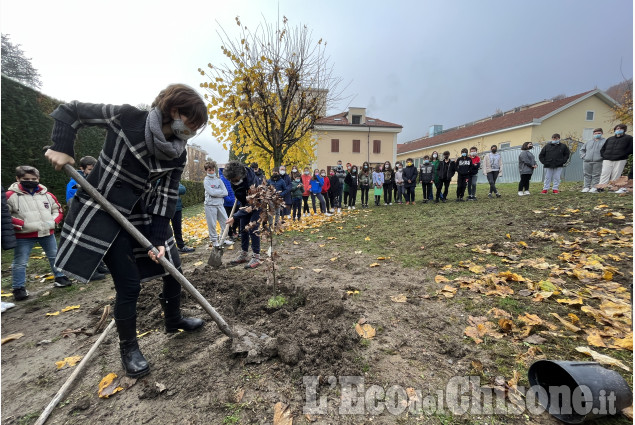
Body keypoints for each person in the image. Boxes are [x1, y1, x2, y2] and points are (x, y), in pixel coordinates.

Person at [44, 84, 206, 378]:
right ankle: (129, 348)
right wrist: (62, 147)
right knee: (129, 284)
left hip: (143, 214)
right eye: (191, 121)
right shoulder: (126, 118)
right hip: (105, 213)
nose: (192, 130)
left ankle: (174, 320)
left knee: (173, 269)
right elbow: (71, 110)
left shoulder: (177, 154)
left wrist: (157, 239)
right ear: (174, 111)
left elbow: (168, 195)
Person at [7, 166, 71, 302]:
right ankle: (18, 288)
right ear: (18, 179)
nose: (30, 181)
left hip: (46, 232)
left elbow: (57, 209)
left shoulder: (47, 195)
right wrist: (20, 224)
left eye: (33, 179)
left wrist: (53, 222)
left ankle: (60, 277)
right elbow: (4, 215)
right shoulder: (9, 196)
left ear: (38, 179)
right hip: (23, 235)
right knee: (20, 262)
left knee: (55, 255)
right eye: (26, 179)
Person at [65, 155, 110, 279]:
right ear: (82, 168)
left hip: (96, 216)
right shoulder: (74, 183)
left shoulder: (96, 179)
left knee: (97, 242)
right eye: (90, 169)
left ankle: (99, 266)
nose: (93, 172)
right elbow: (72, 201)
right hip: (83, 216)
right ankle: (90, 271)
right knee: (86, 244)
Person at [224, 160, 263, 269]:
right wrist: (240, 197)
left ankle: (256, 257)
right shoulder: (233, 179)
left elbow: (252, 205)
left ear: (241, 175)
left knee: (252, 228)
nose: (233, 182)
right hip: (245, 203)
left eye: (235, 180)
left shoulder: (252, 181)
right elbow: (238, 193)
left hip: (257, 203)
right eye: (231, 180)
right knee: (243, 229)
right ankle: (244, 254)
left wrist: (235, 216)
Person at [599, 124, 633, 193]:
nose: (618, 130)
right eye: (617, 129)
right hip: (607, 159)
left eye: (620, 129)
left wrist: (624, 154)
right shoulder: (610, 139)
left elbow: (631, 148)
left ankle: (613, 188)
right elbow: (603, 148)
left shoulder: (629, 138)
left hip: (620, 159)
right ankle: (601, 187)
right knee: (604, 173)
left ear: (624, 130)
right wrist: (604, 156)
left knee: (616, 174)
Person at [203, 160, 229, 247]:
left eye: (212, 170)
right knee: (212, 224)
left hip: (220, 204)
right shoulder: (206, 181)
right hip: (210, 205)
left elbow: (225, 192)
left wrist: (216, 192)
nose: (211, 172)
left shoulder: (219, 181)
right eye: (209, 170)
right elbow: (211, 193)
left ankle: (223, 239)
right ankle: (214, 242)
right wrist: (218, 192)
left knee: (226, 222)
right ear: (206, 171)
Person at [580, 128, 606, 193]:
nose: (597, 134)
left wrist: (602, 157)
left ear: (602, 133)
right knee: (586, 174)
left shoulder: (605, 141)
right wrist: (584, 156)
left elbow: (606, 150)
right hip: (587, 161)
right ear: (593, 134)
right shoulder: (589, 142)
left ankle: (594, 187)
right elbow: (582, 150)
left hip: (598, 161)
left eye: (598, 133)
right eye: (595, 133)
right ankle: (586, 187)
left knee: (596, 175)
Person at [173, 182, 195, 252]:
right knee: (165, 230)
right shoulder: (160, 178)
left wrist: (171, 189)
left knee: (178, 228)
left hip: (177, 208)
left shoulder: (175, 179)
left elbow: (183, 189)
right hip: (166, 208)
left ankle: (181, 246)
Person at [219, 167, 238, 241]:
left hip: (236, 201)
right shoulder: (222, 179)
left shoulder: (232, 177)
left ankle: (234, 231)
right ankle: (230, 234)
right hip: (227, 203)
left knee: (236, 218)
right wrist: (228, 199)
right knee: (228, 219)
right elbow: (221, 191)